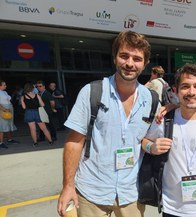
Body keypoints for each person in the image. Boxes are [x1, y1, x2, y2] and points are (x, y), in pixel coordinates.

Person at [57, 30, 157, 217]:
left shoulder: (151, 99)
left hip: (130, 192)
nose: (129, 63)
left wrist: (152, 145)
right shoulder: (91, 92)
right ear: (114, 58)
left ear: (145, 64)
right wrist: (68, 186)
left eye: (137, 58)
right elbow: (74, 142)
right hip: (92, 190)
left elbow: (144, 140)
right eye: (124, 56)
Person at [142, 63, 196, 217]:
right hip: (172, 209)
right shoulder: (164, 119)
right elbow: (144, 141)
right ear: (176, 91)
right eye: (185, 86)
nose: (191, 92)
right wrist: (151, 147)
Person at [0, 80, 18, 149]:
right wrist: (5, 109)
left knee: (9, 124)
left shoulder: (4, 92)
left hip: (9, 109)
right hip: (3, 110)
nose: (6, 86)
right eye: (4, 85)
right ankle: (1, 142)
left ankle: (10, 139)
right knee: (2, 125)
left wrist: (9, 108)